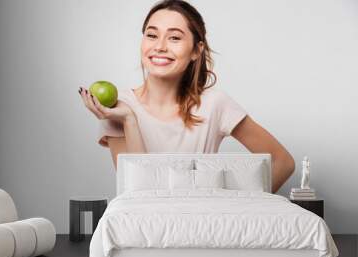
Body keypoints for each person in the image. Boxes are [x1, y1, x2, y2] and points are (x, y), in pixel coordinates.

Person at [78, 0, 295, 193]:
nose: (160, 46)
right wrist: (128, 119)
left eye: (174, 38)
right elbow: (137, 194)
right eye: (152, 35)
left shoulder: (215, 104)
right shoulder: (119, 106)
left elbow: (283, 162)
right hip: (145, 234)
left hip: (202, 232)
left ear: (196, 50)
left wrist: (239, 213)